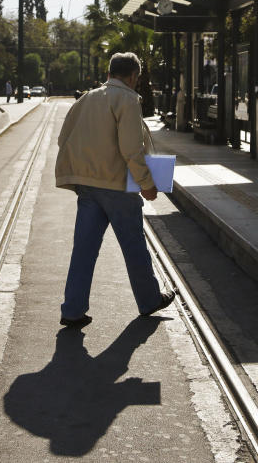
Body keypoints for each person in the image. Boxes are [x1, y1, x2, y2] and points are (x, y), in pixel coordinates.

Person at [55, 52, 175, 329]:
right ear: (133, 76)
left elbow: (64, 138)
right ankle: (148, 300)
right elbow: (131, 148)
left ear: (109, 73)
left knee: (83, 249)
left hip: (87, 186)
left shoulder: (86, 98)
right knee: (134, 246)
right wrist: (147, 184)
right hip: (117, 186)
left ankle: (73, 309)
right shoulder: (128, 100)